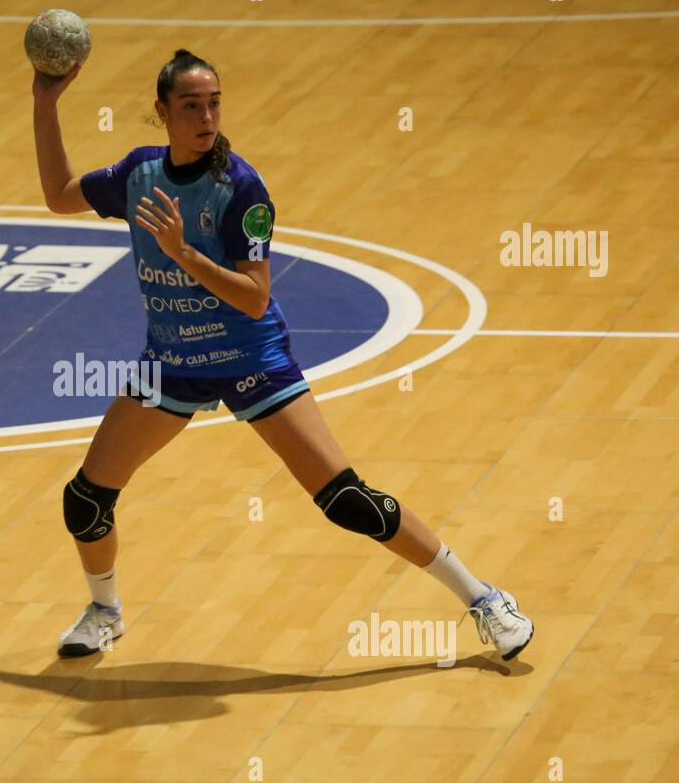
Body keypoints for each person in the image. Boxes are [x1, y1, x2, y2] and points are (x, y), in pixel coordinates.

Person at [31, 48, 533, 662]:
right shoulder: (138, 174)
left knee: (347, 500)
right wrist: (45, 103)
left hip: (251, 359)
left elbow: (254, 296)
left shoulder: (240, 186)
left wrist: (183, 252)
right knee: (85, 502)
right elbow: (59, 195)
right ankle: (104, 610)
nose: (207, 116)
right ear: (161, 112)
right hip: (174, 361)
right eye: (191, 105)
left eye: (214, 103)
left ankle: (483, 598)